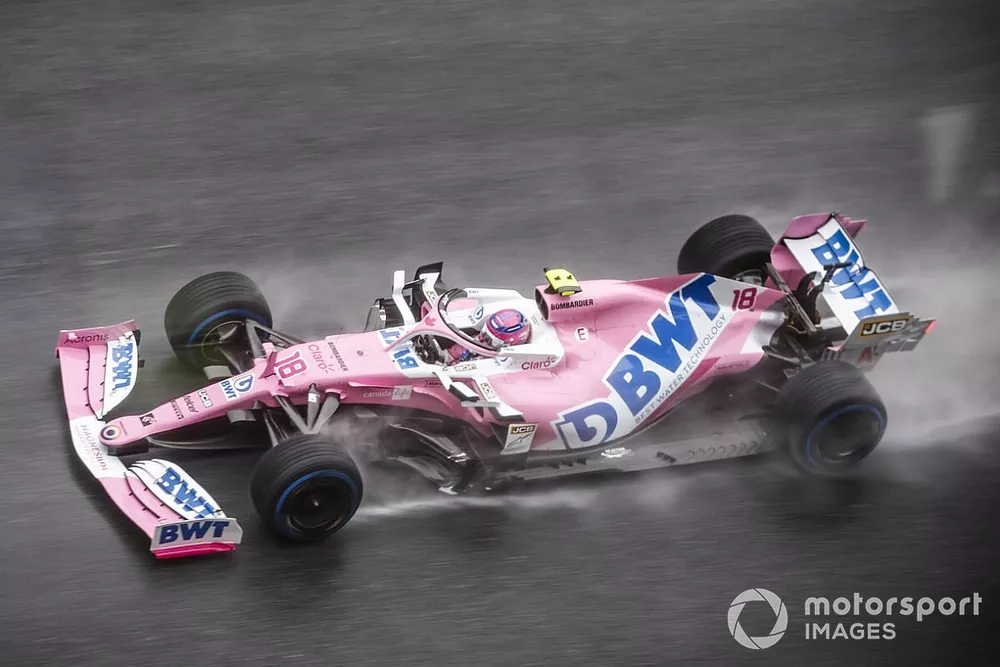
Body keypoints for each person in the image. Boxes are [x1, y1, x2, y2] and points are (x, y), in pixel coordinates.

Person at [445, 307, 532, 364]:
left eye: (492, 341)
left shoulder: (497, 363)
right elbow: (454, 352)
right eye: (485, 333)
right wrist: (446, 357)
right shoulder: (479, 340)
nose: (483, 340)